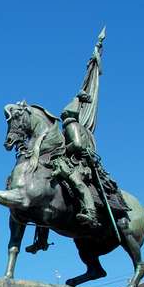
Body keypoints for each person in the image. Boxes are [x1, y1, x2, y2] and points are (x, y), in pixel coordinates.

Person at [51, 92, 129, 228]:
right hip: (82, 161)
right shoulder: (83, 129)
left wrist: (62, 149)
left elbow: (77, 144)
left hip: (80, 163)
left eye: (64, 114)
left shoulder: (71, 125)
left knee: (76, 182)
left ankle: (91, 212)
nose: (62, 116)